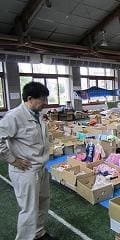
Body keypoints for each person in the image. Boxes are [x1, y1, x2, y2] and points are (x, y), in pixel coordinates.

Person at [0, 82, 56, 240]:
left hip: (41, 167)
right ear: (30, 98)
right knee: (29, 209)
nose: (45, 103)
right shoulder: (14, 116)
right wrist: (12, 159)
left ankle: (38, 233)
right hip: (25, 171)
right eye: (42, 99)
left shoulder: (37, 115)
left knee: (43, 203)